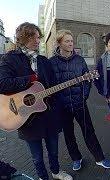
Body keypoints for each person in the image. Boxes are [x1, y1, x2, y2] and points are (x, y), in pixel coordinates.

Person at [0, 22, 72, 180]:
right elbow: (2, 84)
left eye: (39, 37)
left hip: (49, 114)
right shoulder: (10, 59)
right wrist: (30, 79)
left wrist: (59, 102)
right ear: (25, 37)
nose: (39, 40)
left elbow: (53, 85)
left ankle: (56, 171)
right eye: (36, 37)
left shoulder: (43, 61)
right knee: (37, 157)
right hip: (25, 116)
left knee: (53, 150)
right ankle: (42, 177)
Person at [49, 29, 110, 171]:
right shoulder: (51, 62)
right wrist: (56, 102)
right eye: (67, 41)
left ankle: (99, 158)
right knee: (69, 135)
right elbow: (49, 84)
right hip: (62, 107)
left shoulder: (79, 60)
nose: (71, 43)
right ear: (59, 43)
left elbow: (87, 81)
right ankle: (76, 158)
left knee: (88, 131)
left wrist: (84, 96)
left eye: (71, 41)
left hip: (79, 103)